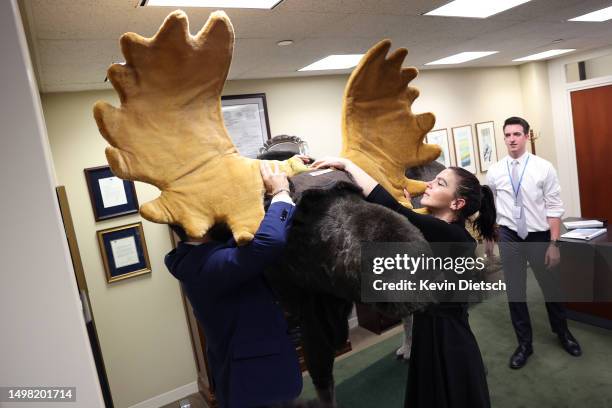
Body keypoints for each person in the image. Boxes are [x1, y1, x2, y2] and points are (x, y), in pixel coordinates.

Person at [312, 157, 495, 408]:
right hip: (431, 330)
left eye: (439, 183)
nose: (428, 184)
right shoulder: (442, 231)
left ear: (457, 203)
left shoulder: (451, 234)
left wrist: (348, 165)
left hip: (446, 339)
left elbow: (394, 210)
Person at [164, 162, 302, 408]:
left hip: (240, 370)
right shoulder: (207, 266)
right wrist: (281, 193)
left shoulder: (191, 256)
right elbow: (268, 243)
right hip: (256, 380)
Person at [485, 116, 581, 370]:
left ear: (526, 136)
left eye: (517, 134)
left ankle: (563, 333)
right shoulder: (495, 172)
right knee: (515, 293)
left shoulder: (543, 168)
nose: (512, 139)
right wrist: (489, 237)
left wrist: (554, 243)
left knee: (552, 288)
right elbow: (489, 208)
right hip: (509, 235)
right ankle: (524, 344)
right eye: (507, 135)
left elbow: (554, 207)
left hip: (539, 236)